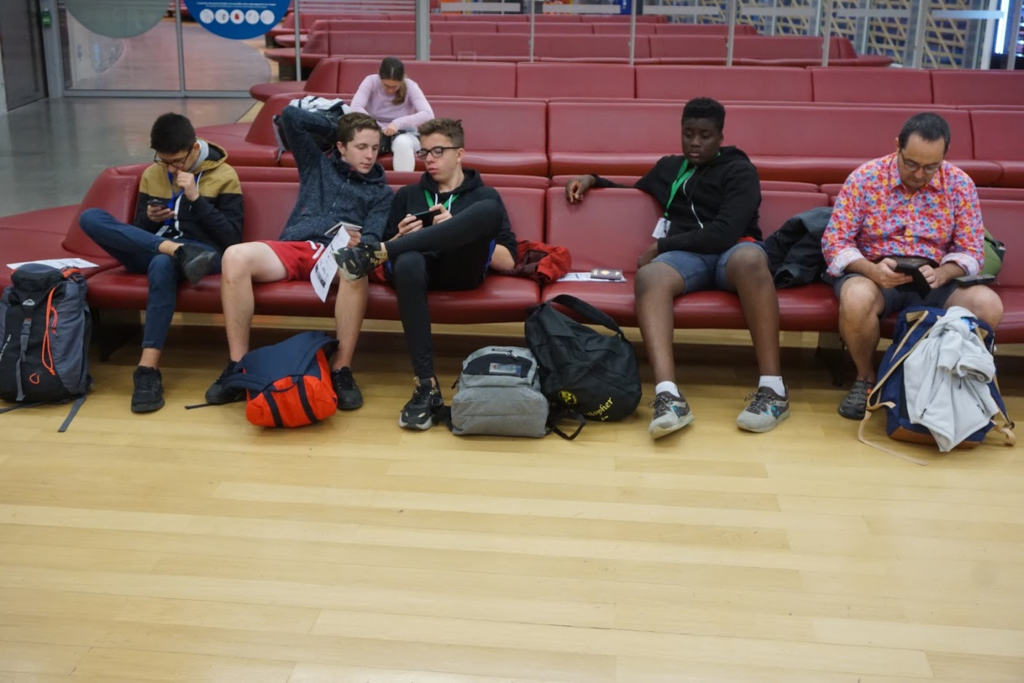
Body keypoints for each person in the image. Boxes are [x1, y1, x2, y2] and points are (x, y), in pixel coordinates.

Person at [564, 97, 789, 439]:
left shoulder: (740, 171)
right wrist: (592, 179)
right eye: (688, 134)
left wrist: (660, 246)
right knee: (650, 275)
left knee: (751, 259)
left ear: (720, 137)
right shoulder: (670, 168)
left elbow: (724, 232)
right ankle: (669, 396)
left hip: (732, 252)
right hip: (689, 259)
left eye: (705, 135)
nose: (695, 142)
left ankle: (774, 390)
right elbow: (632, 191)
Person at [332, 117, 517, 430]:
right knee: (407, 260)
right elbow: (389, 256)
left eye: (438, 151)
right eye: (424, 153)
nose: (428, 159)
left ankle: (384, 250)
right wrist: (400, 238)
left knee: (487, 211)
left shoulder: (485, 196)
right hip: (416, 273)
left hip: (463, 269)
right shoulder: (408, 194)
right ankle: (426, 385)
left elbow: (508, 261)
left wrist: (455, 228)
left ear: (459, 154)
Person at [203, 108, 393, 408]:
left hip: (336, 255)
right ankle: (239, 366)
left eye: (374, 147)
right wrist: (341, 127)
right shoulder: (317, 164)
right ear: (341, 147)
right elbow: (291, 117)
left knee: (356, 267)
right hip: (295, 247)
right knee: (234, 256)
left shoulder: (382, 193)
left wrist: (361, 243)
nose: (370, 155)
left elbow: (371, 239)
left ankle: (341, 368)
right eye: (361, 146)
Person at [823, 112, 1002, 420]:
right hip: (876, 273)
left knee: (987, 305)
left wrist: (944, 272)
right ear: (898, 146)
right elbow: (835, 242)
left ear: (944, 155)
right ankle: (866, 379)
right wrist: (870, 270)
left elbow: (972, 250)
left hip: (936, 277)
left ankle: (940, 381)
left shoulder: (960, 184)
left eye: (931, 167)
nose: (920, 174)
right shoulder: (865, 178)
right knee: (856, 297)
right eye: (911, 163)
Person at [79, 112, 243, 414]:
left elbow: (231, 239)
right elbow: (136, 233)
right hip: (158, 247)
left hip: (202, 253)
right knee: (90, 217)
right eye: (164, 161)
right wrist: (150, 220)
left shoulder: (225, 175)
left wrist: (196, 199)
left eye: (177, 161)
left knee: (161, 264)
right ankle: (172, 249)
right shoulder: (152, 174)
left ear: (194, 149)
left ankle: (147, 369)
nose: (170, 168)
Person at [349, 56, 433, 173]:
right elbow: (355, 107)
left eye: (394, 87)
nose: (390, 90)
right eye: (386, 86)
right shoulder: (371, 81)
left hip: (404, 133)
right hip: (376, 132)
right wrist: (377, 126)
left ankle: (404, 183)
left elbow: (428, 114)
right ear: (379, 75)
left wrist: (397, 123)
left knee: (402, 143)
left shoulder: (411, 86)